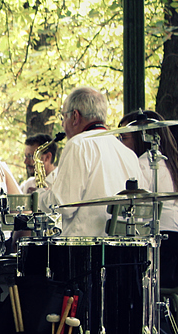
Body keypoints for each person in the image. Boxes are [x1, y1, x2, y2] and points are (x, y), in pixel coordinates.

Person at [34, 88, 141, 237]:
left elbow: (63, 205)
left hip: (85, 248)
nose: (63, 125)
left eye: (63, 117)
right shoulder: (129, 154)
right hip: (121, 248)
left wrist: (38, 196)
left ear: (75, 116)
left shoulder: (78, 144)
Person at [118, 110, 178, 287]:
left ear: (141, 138)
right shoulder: (171, 163)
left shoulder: (143, 165)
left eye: (124, 138)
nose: (121, 144)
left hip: (162, 247)